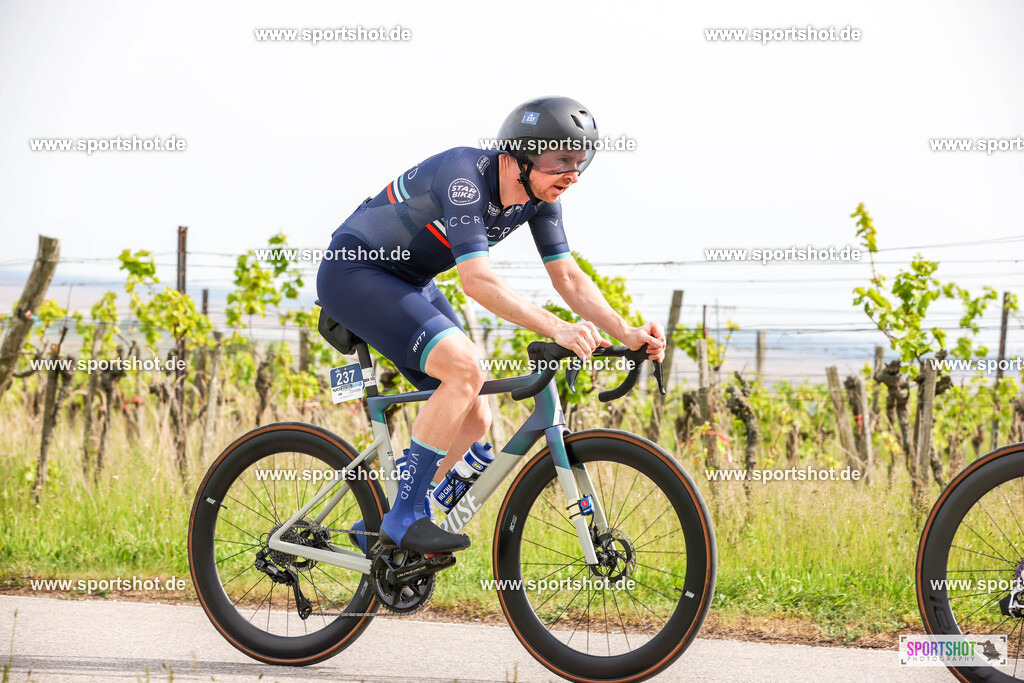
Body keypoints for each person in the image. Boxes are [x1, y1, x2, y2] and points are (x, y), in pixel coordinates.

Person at [315, 96, 665, 554]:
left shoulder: (540, 199)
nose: (572, 174)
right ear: (520, 155)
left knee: (476, 414)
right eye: (561, 160)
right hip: (355, 273)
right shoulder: (465, 177)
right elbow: (476, 281)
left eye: (581, 162)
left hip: (411, 280)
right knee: (466, 369)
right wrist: (556, 328)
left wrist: (626, 332)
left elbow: (568, 277)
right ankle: (405, 519)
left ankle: (383, 532)